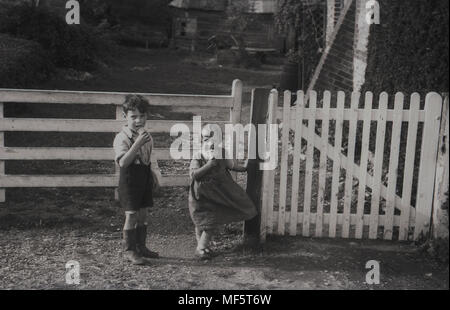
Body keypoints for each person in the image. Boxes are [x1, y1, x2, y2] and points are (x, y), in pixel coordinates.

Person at [188, 125, 257, 259]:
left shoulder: (223, 153)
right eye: (207, 139)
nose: (211, 143)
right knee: (201, 221)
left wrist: (245, 168)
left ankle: (202, 247)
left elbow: (232, 166)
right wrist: (208, 166)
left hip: (219, 193)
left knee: (211, 221)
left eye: (215, 139)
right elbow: (194, 175)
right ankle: (201, 247)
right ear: (202, 140)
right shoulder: (199, 155)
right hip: (201, 194)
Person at [113, 94, 161, 265]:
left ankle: (141, 246)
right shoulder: (122, 137)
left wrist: (154, 175)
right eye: (134, 117)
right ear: (126, 117)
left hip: (144, 176)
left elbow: (149, 158)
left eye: (142, 116)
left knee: (143, 214)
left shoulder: (147, 136)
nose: (139, 120)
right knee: (131, 214)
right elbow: (124, 162)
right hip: (130, 179)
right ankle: (130, 250)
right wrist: (137, 144)